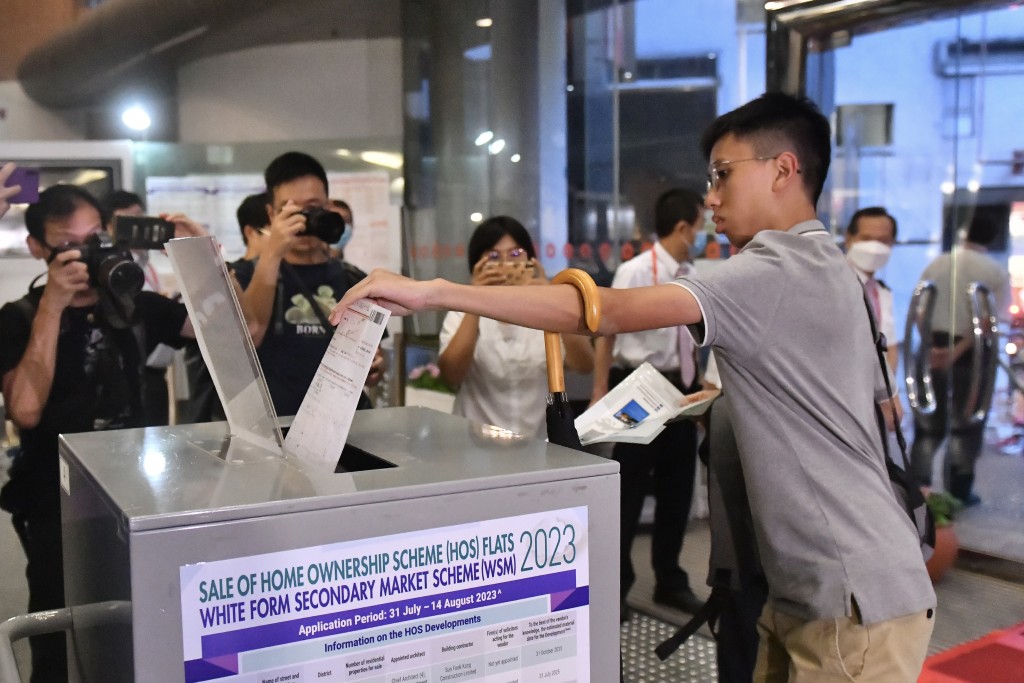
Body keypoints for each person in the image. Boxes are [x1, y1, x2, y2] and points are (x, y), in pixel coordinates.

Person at [332, 92, 937, 681]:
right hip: (824, 584)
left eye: (724, 174)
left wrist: (435, 291)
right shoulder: (828, 265)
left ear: (784, 169)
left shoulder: (773, 266)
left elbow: (604, 312)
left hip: (849, 591)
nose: (712, 196)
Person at [0, 184, 214, 682]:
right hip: (53, 503)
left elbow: (232, 330)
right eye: (69, 243)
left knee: (140, 626)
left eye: (94, 237)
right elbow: (26, 411)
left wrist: (200, 256)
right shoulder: (18, 318)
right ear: (38, 249)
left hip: (138, 499)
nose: (86, 253)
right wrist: (54, 304)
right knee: (58, 631)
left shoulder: (136, 305)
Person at [590, 188, 705, 619]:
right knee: (629, 490)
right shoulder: (636, 270)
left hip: (678, 389)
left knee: (678, 488)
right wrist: (601, 387)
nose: (700, 233)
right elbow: (606, 328)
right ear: (682, 227)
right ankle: (615, 589)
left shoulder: (690, 273)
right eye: (698, 226)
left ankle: (670, 581)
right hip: (636, 386)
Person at [233, 152, 383, 417]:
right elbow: (246, 339)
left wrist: (376, 366)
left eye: (312, 209)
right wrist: (272, 253)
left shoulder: (353, 279)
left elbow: (375, 355)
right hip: (271, 430)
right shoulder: (243, 276)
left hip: (341, 429)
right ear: (271, 215)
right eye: (290, 210)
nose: (302, 220)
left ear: (327, 207)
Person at [438, 216, 593, 439]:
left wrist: (552, 299)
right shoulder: (461, 311)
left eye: (515, 255)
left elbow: (585, 364)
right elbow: (451, 375)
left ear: (530, 260)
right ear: (476, 264)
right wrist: (475, 299)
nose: (505, 265)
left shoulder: (543, 311)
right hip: (475, 442)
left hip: (535, 442)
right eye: (493, 256)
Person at [910, 214, 1009, 506]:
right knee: (966, 423)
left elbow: (919, 309)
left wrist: (932, 345)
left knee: (928, 424)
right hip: (972, 354)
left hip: (931, 347)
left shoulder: (938, 263)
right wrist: (958, 350)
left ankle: (918, 487)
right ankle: (958, 489)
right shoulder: (993, 270)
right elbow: (990, 323)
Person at [177, 192, 271, 424]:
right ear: (251, 232)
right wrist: (205, 257)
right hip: (223, 413)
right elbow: (248, 330)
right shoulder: (233, 276)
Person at [845, 206, 898, 371]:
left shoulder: (882, 292)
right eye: (867, 239)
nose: (874, 247)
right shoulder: (829, 281)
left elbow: (890, 347)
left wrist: (887, 393)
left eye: (882, 240)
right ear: (849, 239)